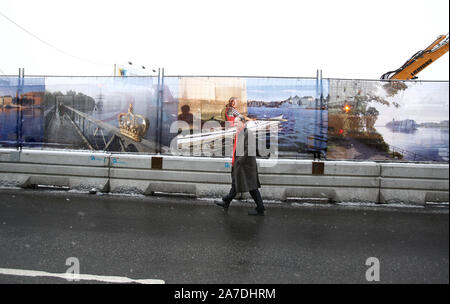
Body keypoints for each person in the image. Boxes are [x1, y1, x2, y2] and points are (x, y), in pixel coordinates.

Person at [215, 117, 265, 216]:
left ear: (243, 122)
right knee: (235, 184)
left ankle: (260, 208)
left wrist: (239, 161)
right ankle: (226, 202)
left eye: (237, 122)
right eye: (234, 122)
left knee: (252, 187)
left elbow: (250, 149)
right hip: (238, 164)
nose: (235, 124)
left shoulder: (248, 133)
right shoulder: (239, 133)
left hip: (245, 166)